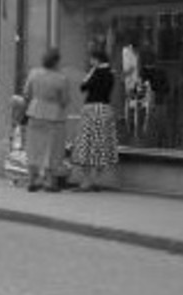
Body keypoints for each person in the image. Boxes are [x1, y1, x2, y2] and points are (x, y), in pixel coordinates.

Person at [23, 47, 70, 192]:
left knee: (34, 147)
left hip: (35, 113)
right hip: (54, 116)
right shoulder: (61, 78)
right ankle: (50, 182)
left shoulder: (33, 73)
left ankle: (32, 180)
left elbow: (26, 93)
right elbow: (64, 100)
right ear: (56, 62)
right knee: (52, 149)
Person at [72, 47, 117, 191]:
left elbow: (83, 87)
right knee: (100, 146)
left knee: (86, 145)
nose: (90, 61)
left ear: (97, 59)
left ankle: (87, 181)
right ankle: (95, 180)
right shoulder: (110, 72)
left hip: (92, 109)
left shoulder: (97, 72)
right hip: (105, 109)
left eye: (92, 59)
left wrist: (91, 72)